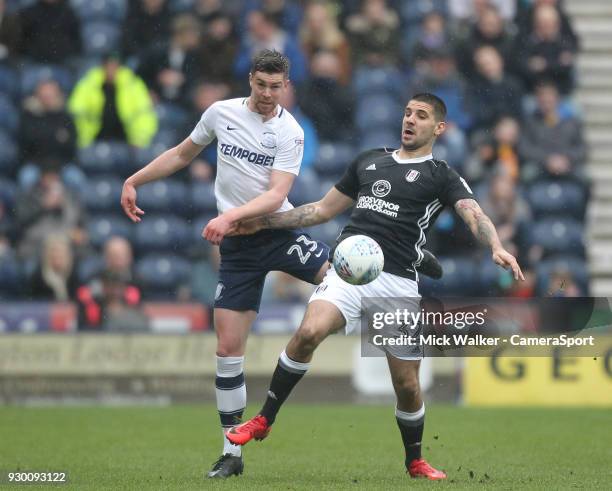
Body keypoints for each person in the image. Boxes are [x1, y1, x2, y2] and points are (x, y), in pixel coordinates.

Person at [121, 50, 443, 479]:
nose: (269, 94)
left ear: (285, 85)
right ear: (250, 80)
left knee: (340, 274)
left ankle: (405, 253)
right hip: (238, 248)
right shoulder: (220, 114)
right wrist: (133, 181)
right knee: (227, 351)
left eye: (277, 87)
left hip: (275, 233)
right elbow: (182, 154)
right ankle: (231, 454)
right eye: (261, 85)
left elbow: (276, 198)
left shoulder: (289, 131)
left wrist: (229, 217)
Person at [225, 93, 524, 481]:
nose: (410, 120)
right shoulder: (369, 161)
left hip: (397, 282)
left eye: (421, 116)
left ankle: (414, 460)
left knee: (407, 384)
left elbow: (473, 213)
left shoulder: (441, 174)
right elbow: (320, 210)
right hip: (350, 272)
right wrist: (263, 223)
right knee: (309, 332)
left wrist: (496, 246)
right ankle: (264, 419)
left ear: (439, 128)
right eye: (406, 113)